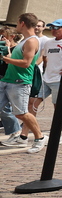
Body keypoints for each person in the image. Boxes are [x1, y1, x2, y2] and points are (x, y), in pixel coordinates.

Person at [0, 13, 47, 153]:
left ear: (22, 23)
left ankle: (40, 137)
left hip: (20, 82)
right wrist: (8, 55)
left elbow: (26, 63)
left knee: (21, 113)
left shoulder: (32, 41)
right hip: (7, 80)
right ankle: (17, 134)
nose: (16, 25)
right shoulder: (24, 40)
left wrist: (6, 59)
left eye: (17, 22)